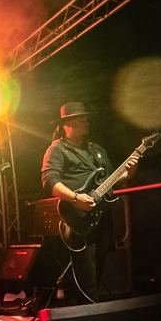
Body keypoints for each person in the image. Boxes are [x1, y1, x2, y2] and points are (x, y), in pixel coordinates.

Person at [41, 101, 136, 304]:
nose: (86, 121)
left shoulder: (96, 150)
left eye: (86, 118)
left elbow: (111, 179)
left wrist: (129, 172)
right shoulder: (57, 150)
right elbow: (50, 181)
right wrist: (76, 198)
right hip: (78, 218)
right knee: (86, 276)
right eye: (81, 119)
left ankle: (89, 310)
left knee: (98, 270)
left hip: (102, 218)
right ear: (66, 124)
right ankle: (88, 315)